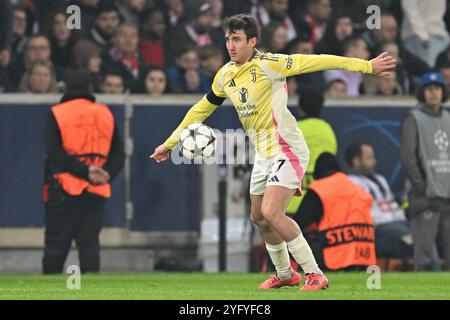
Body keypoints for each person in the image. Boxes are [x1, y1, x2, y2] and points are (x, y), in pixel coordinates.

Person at [150, 14, 395, 290]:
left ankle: (314, 273)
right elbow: (201, 109)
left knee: (272, 212)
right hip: (264, 154)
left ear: (252, 41)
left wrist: (366, 66)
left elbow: (317, 60)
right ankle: (285, 273)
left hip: (286, 147)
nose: (231, 45)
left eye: (237, 40)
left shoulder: (270, 64)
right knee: (258, 218)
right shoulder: (225, 75)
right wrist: (169, 143)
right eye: (228, 39)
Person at [42, 69, 125, 274]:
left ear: (65, 87)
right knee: (89, 244)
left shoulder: (58, 113)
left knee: (56, 245)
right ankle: (92, 293)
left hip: (64, 187)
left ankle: (47, 293)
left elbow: (55, 154)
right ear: (90, 88)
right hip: (96, 190)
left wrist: (84, 171)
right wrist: (104, 174)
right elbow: (119, 154)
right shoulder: (105, 112)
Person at [400, 71, 450, 271]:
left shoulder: (448, 117)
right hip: (426, 198)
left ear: (443, 91)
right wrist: (422, 187)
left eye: (437, 88)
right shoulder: (414, 118)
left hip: (448, 196)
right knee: (425, 257)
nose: (433, 93)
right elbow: (408, 158)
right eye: (428, 89)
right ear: (422, 93)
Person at [294, 152, 376, 271]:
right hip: (362, 254)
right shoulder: (356, 188)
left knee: (290, 237)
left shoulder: (320, 188)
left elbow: (299, 222)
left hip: (332, 253)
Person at [346, 142, 413, 262]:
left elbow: (391, 203)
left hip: (400, 222)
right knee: (409, 238)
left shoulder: (380, 179)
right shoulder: (350, 182)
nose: (374, 161)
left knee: (424, 232)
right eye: (370, 158)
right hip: (379, 229)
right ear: (356, 161)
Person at [286, 89, 337, 215]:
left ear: (300, 107)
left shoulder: (292, 130)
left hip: (290, 204)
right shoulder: (328, 130)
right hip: (319, 202)